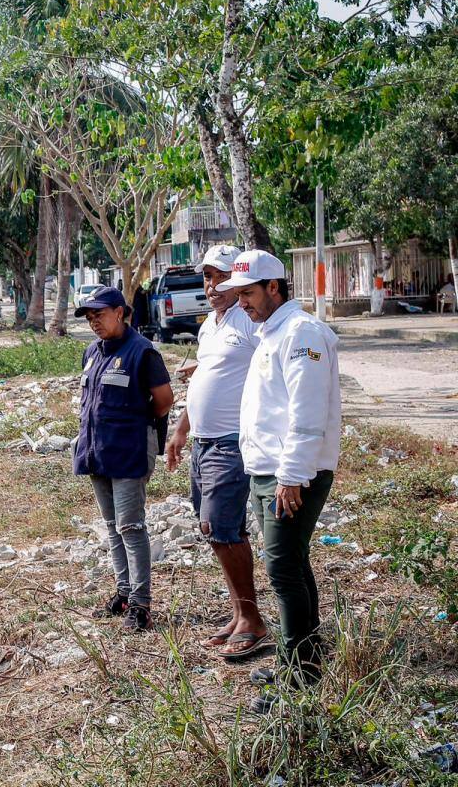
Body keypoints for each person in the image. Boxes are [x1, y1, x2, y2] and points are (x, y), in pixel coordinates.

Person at [216, 249, 341, 714]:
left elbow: (306, 413)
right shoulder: (273, 332)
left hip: (292, 475)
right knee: (292, 565)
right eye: (237, 294)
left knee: (283, 570)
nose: (241, 302)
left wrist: (291, 476)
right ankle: (302, 657)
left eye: (248, 293)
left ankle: (298, 681)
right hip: (269, 471)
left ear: (274, 287)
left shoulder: (302, 332)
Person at [165, 245, 270, 659]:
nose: (212, 286)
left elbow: (269, 368)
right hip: (203, 442)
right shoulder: (210, 324)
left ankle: (253, 620)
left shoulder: (248, 320)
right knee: (217, 531)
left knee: (220, 526)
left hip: (232, 441)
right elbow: (205, 383)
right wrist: (180, 431)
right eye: (207, 277)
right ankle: (240, 612)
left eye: (221, 277)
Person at [73, 286, 174, 632]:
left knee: (130, 526)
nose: (94, 323)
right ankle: (124, 592)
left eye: (99, 315)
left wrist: (135, 424)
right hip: (97, 450)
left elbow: (163, 400)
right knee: (112, 528)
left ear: (120, 312)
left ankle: (142, 604)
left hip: (129, 450)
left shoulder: (142, 352)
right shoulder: (92, 352)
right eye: (89, 318)